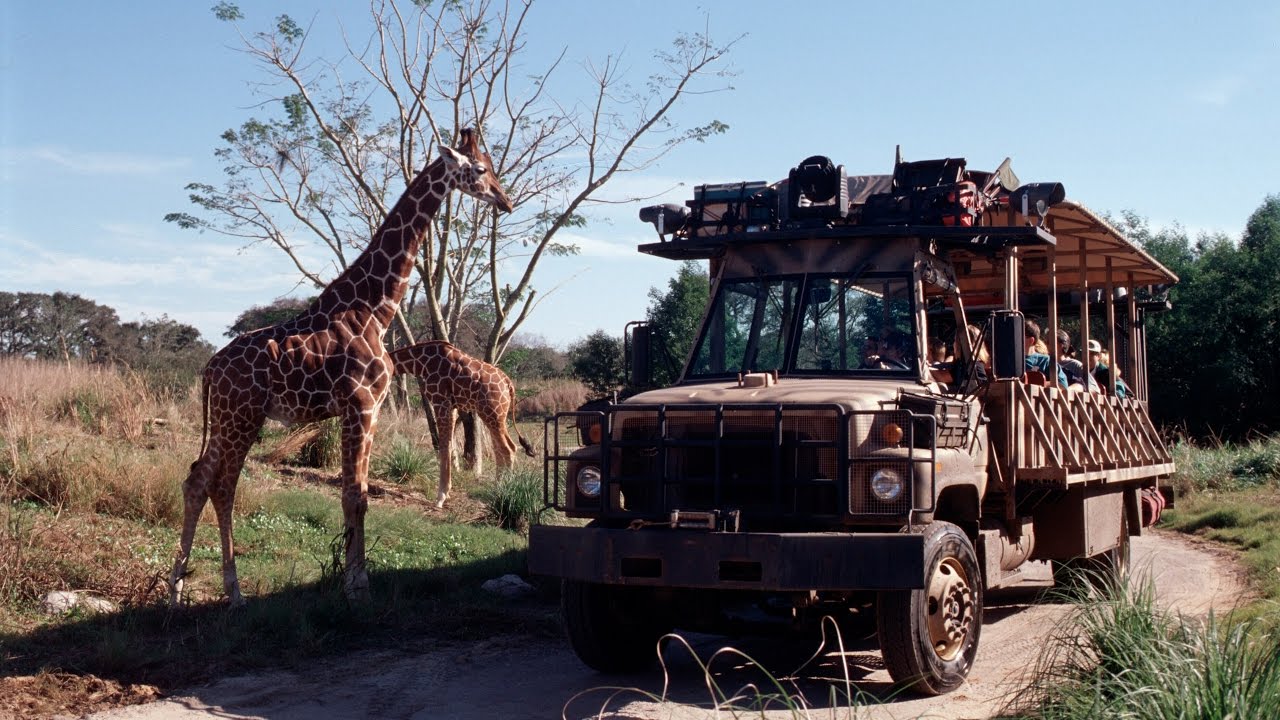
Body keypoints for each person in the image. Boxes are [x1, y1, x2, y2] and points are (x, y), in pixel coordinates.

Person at [1025, 319, 1068, 389]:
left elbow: (1063, 384)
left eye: (1019, 336)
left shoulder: (1045, 361)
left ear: (1031, 341)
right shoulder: (1010, 361)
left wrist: (1041, 384)